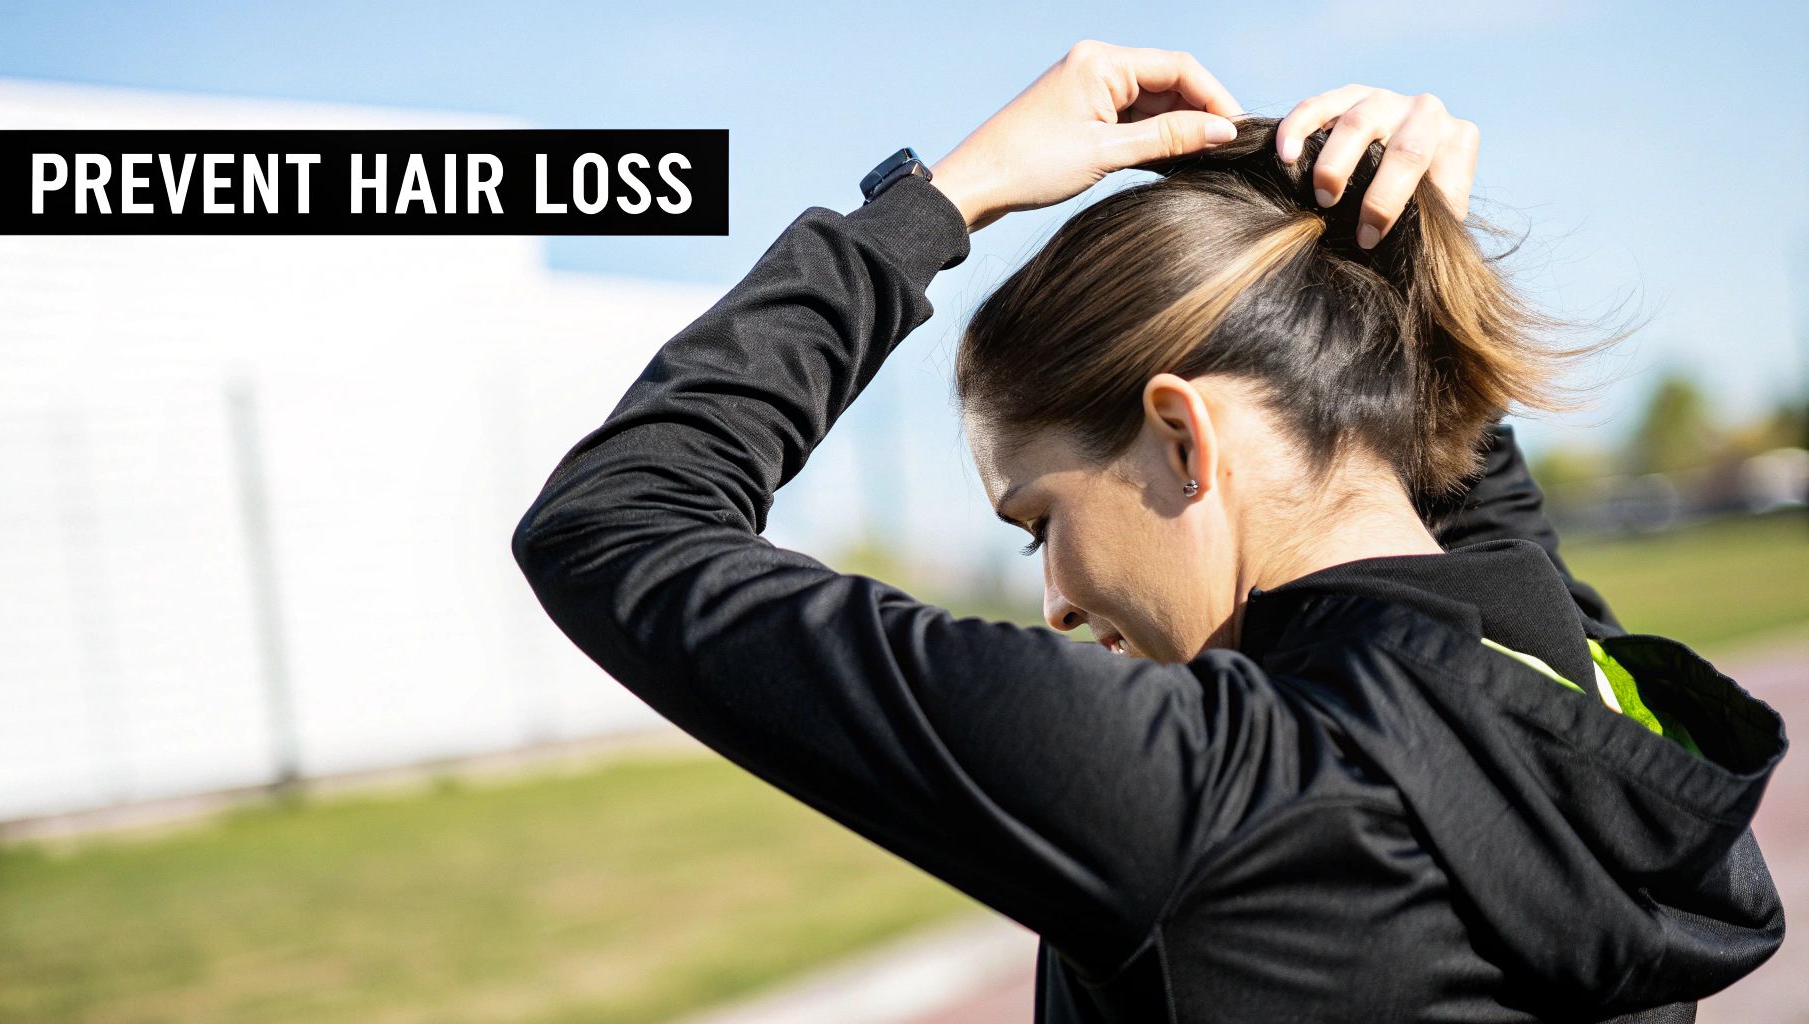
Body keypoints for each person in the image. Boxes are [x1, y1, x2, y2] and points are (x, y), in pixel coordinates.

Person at [510, 40, 1785, 1023]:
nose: (1054, 598)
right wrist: (1392, 258)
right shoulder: (1585, 695)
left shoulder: (1208, 791)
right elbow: (1458, 530)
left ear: (1182, 438)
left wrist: (938, 202)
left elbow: (615, 522)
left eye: (1038, 521)